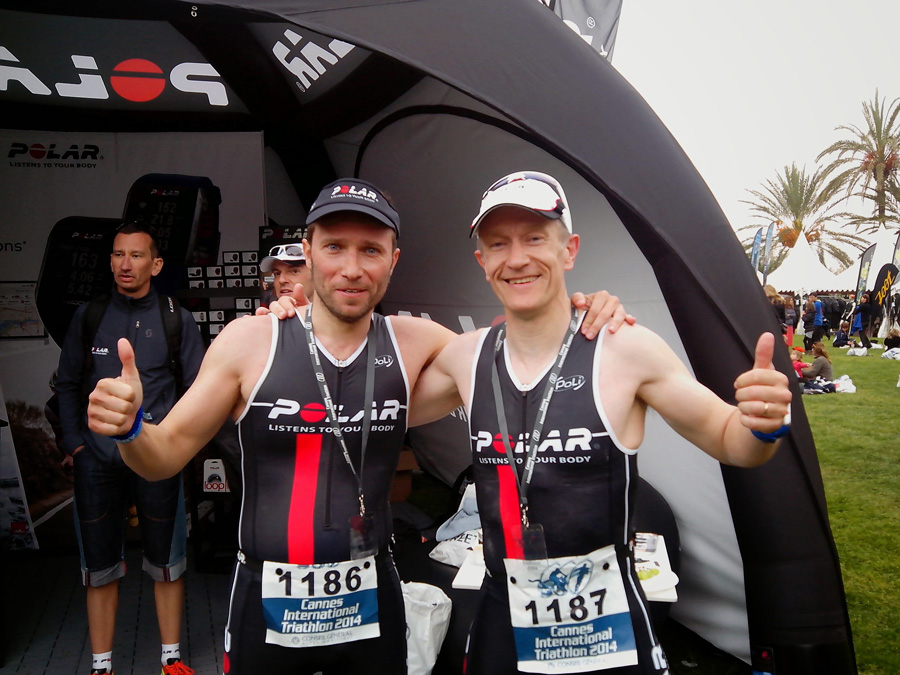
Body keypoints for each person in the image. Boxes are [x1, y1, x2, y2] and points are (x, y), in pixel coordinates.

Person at [86, 177, 630, 675]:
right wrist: (131, 427)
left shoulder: (418, 342)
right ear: (308, 254)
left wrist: (589, 307)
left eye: (370, 250)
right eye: (334, 247)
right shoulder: (250, 342)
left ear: (393, 261)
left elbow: (523, 340)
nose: (351, 268)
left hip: (371, 600)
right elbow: (163, 456)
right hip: (267, 604)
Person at [408, 171, 792, 675]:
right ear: (483, 262)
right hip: (505, 616)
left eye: (535, 238)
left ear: (569, 250)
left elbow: (730, 440)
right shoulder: (466, 357)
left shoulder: (625, 348)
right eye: (498, 243)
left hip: (608, 627)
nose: (517, 257)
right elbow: (377, 411)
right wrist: (311, 325)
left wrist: (762, 421)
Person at [56, 223, 204, 675]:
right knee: (99, 566)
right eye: (119, 255)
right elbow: (65, 385)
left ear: (156, 264)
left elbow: (199, 390)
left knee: (167, 562)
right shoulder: (90, 314)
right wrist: (76, 445)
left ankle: (171, 660)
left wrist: (176, 446)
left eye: (137, 255)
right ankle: (102, 666)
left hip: (157, 461)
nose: (125, 264)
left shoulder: (177, 316)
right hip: (97, 462)